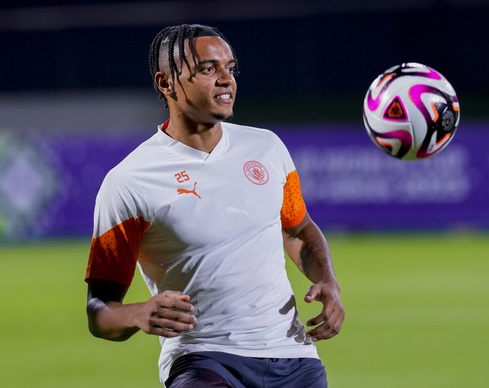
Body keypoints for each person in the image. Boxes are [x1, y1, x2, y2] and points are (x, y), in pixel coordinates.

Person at [85, 23, 345, 387]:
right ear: (166, 83)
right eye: (208, 69)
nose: (227, 79)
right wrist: (137, 314)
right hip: (203, 358)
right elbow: (98, 311)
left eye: (230, 68)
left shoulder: (267, 148)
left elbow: (298, 230)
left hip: (294, 355)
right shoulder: (129, 180)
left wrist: (328, 281)